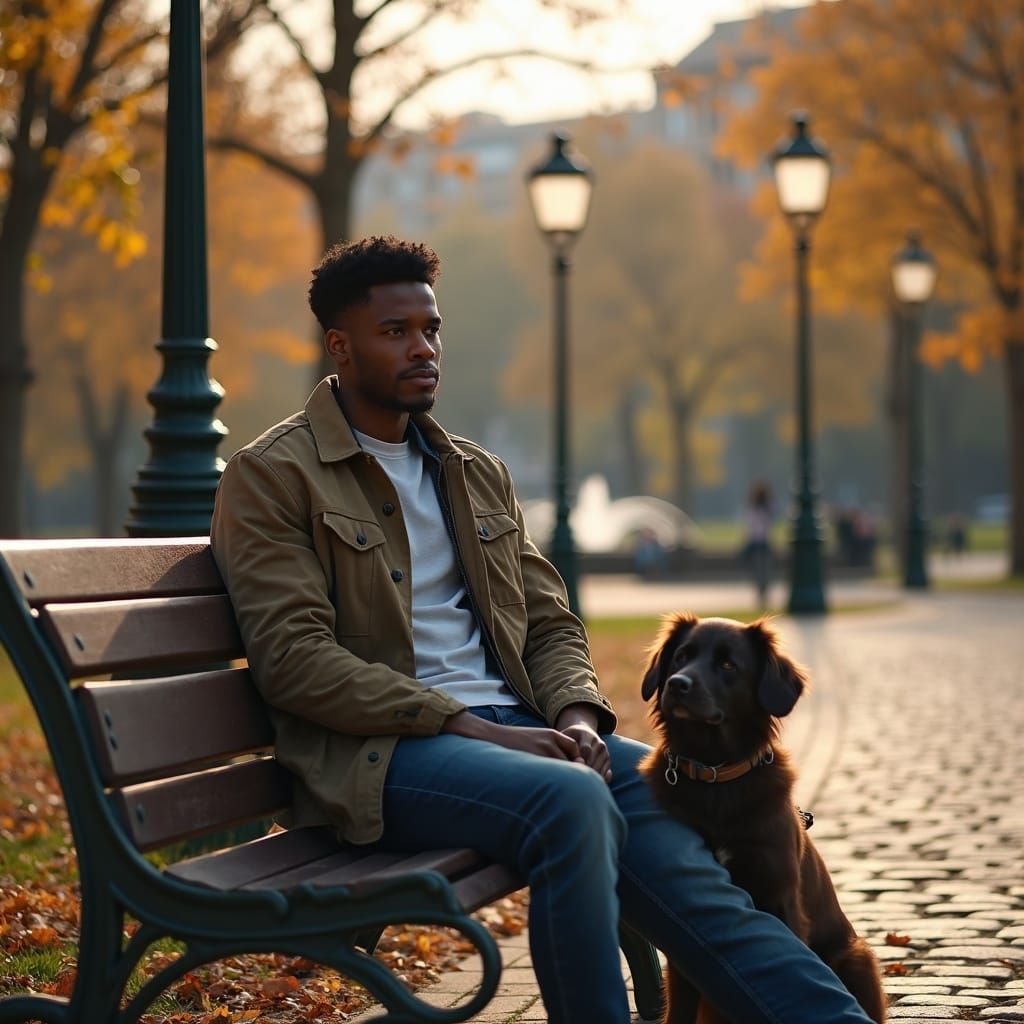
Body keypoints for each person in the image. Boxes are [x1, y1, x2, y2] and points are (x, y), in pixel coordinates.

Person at [210, 236, 874, 1024]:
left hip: (521, 735)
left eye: (431, 328)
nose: (423, 348)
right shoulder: (275, 475)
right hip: (380, 758)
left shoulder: (472, 470)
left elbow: (550, 621)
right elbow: (295, 661)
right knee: (571, 800)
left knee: (668, 812)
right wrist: (469, 727)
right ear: (341, 346)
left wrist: (574, 714)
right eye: (396, 332)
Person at [742, 481, 775, 607]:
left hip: (757, 543)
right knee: (764, 570)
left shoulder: (755, 509)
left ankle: (762, 593)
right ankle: (762, 593)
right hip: (762, 543)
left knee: (760, 570)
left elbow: (749, 527)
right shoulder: (764, 510)